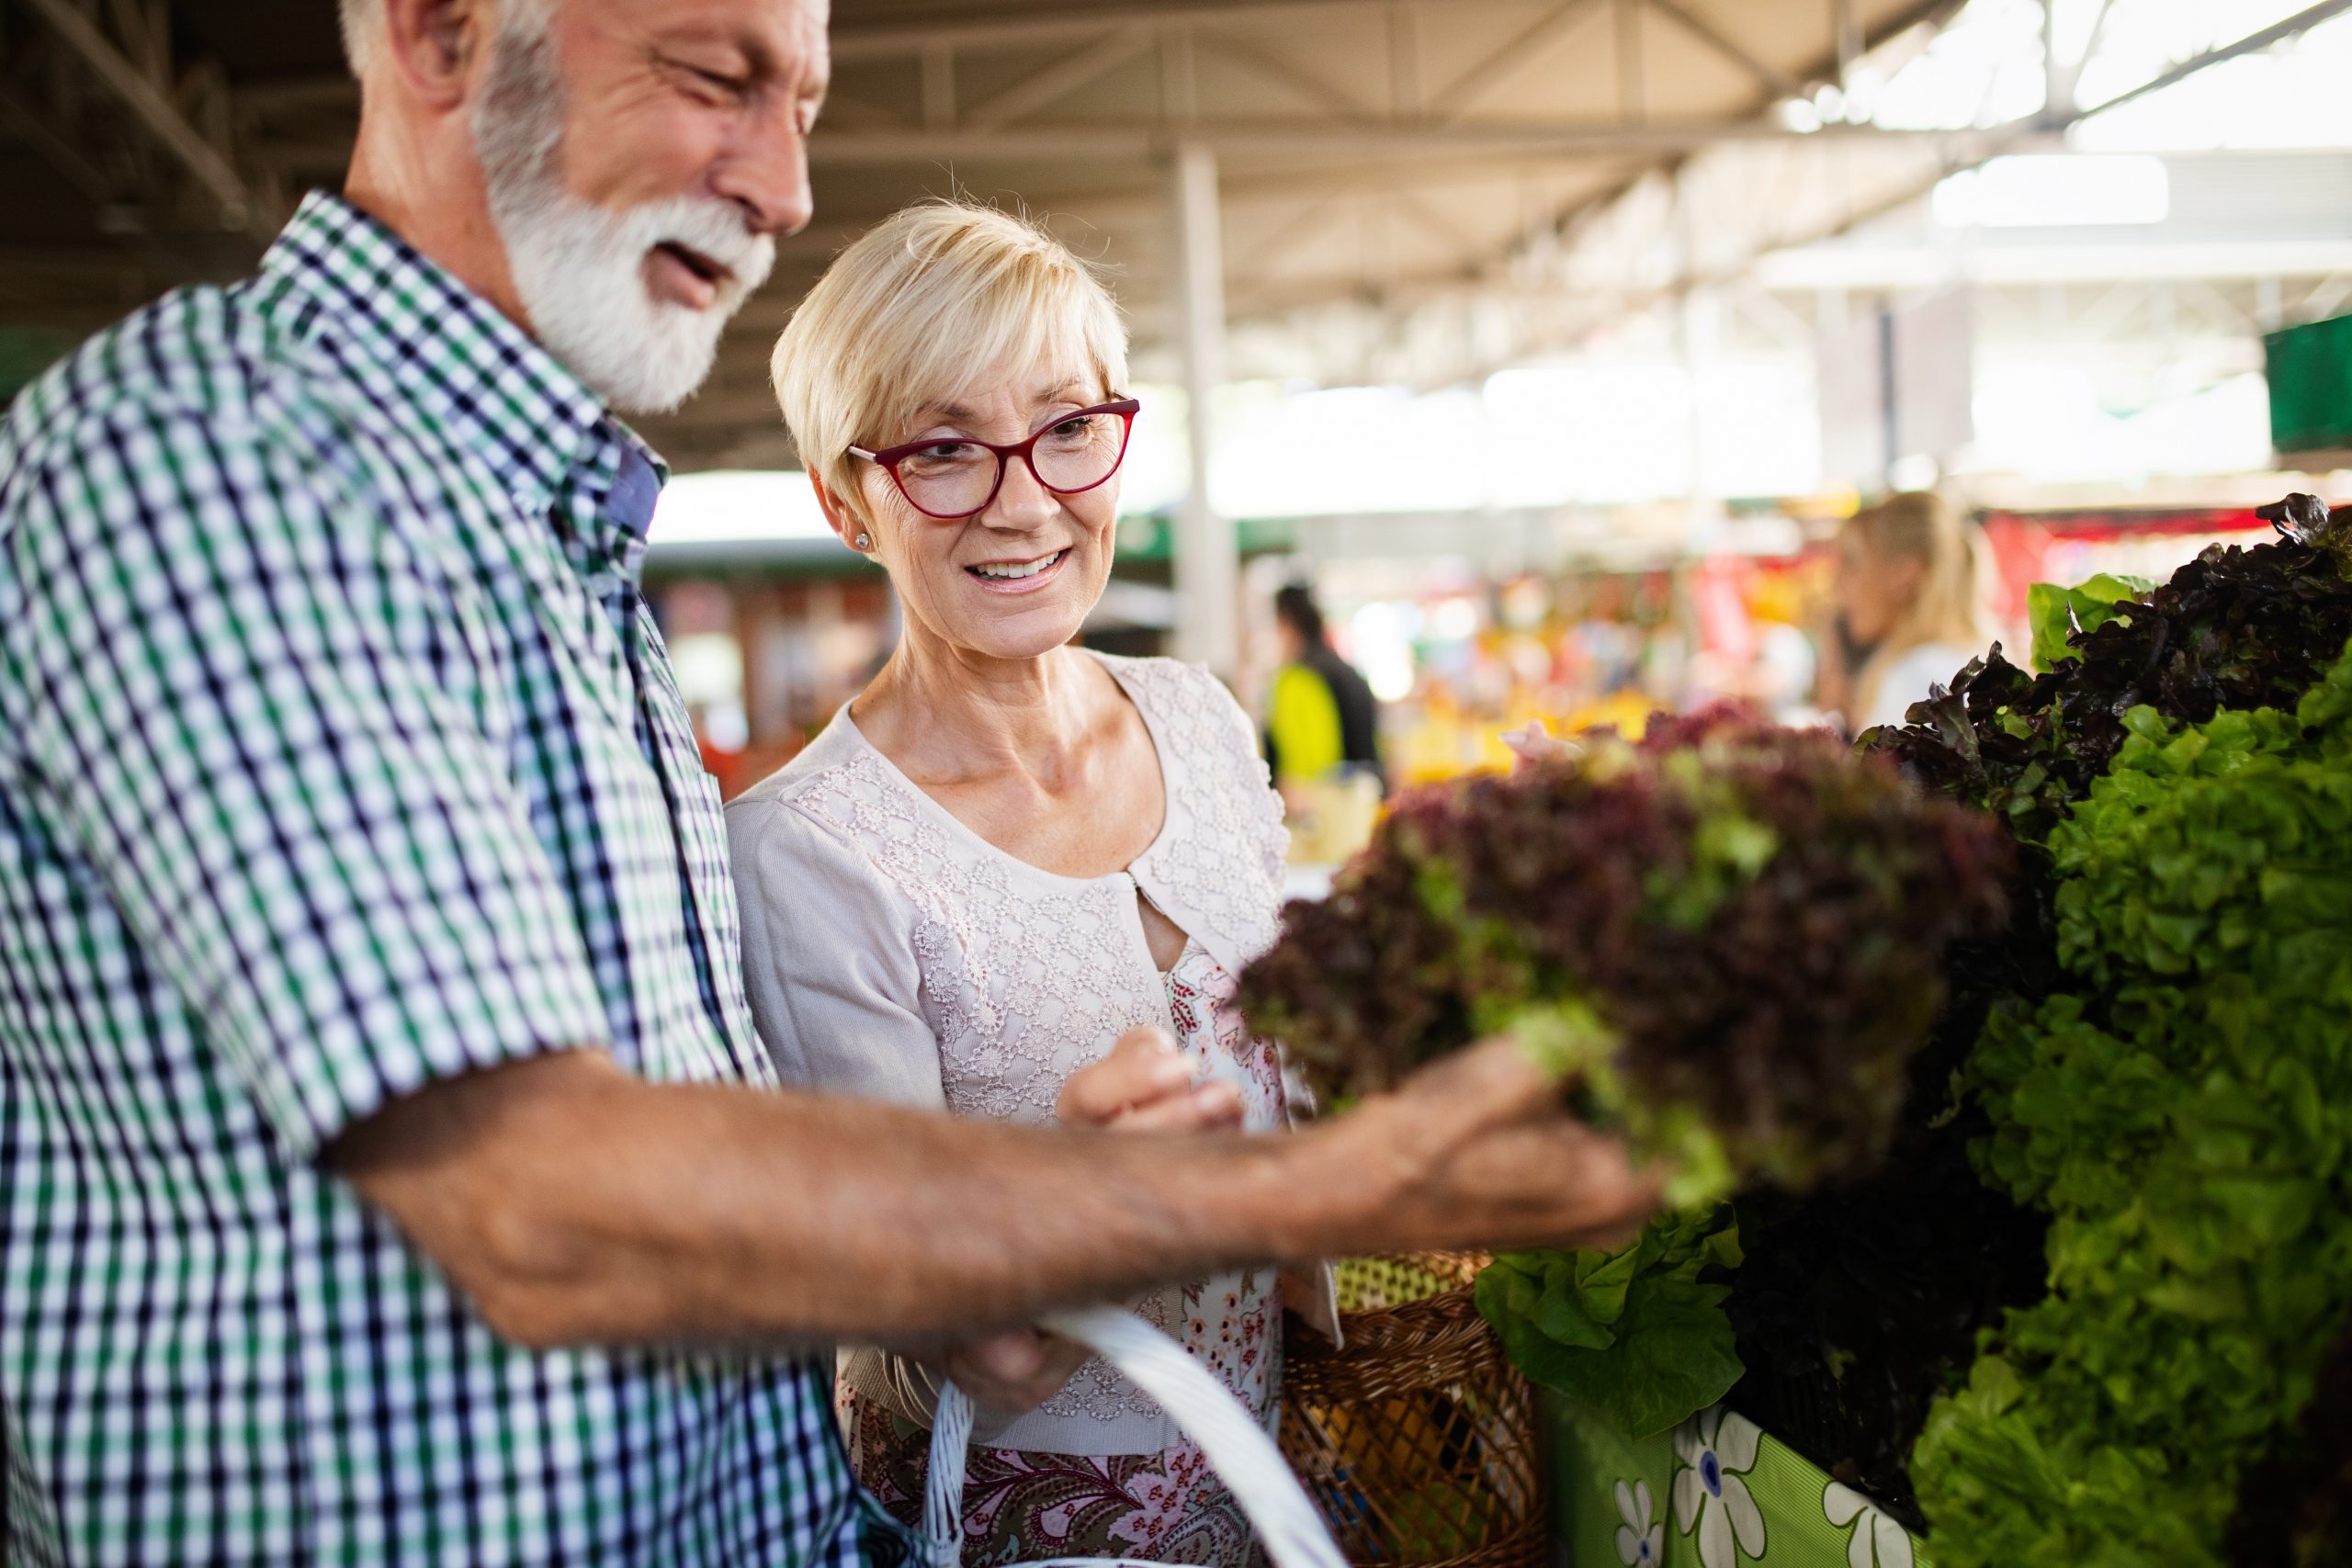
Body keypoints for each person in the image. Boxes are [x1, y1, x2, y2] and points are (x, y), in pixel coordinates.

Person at [0, 0, 1660, 1562]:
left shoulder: (547, 555)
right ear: (439, 27)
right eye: (716, 77)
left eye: (798, 101)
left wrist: (1030, 1236)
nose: (787, 187)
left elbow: (747, 1197)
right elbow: (534, 1189)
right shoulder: (223, 465)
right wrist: (1313, 1182)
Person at [729, 200, 1315, 1562]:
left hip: (1277, 1486)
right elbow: (940, 1345)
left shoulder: (1200, 719)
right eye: (942, 447)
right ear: (844, 500)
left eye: (1065, 428)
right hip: (1030, 1528)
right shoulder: (810, 853)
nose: (1023, 498)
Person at [1829, 491, 2000, 733]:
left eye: (1852, 563)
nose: (1837, 585)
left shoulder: (1919, 679)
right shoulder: (1952, 663)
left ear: (1903, 575)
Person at [1265, 582, 1387, 796]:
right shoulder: (1346, 671)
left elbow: (1306, 770)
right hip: (1364, 802)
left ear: (1286, 622)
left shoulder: (1296, 679)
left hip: (1326, 814)